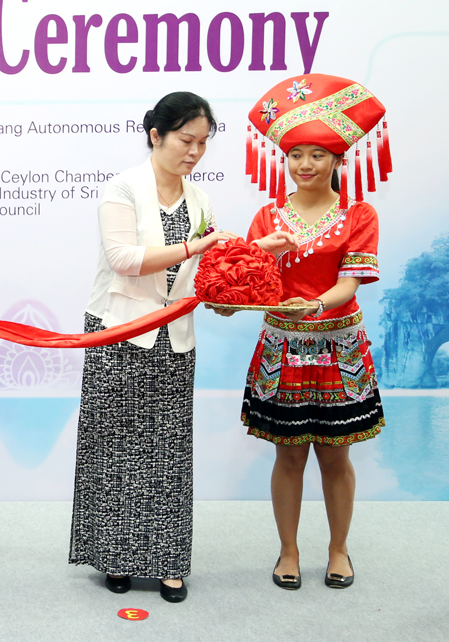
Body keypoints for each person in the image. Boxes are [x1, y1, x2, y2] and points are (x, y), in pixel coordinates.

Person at [69, 92, 294, 603]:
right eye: (186, 140)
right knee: (116, 448)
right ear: (157, 135)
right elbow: (125, 258)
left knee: (168, 450)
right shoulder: (122, 188)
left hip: (174, 336)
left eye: (203, 142)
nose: (194, 151)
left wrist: (259, 250)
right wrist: (197, 245)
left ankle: (169, 562)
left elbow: (208, 268)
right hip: (119, 331)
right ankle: (116, 557)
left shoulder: (198, 200)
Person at [231, 74, 388, 590]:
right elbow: (253, 281)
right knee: (289, 453)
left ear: (339, 162)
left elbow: (349, 284)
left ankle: (339, 549)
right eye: (296, 154)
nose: (305, 164)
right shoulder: (266, 217)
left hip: (339, 346)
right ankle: (289, 550)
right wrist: (240, 291)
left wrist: (314, 304)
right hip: (282, 346)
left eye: (317, 155)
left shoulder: (358, 214)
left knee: (335, 454)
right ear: (285, 159)